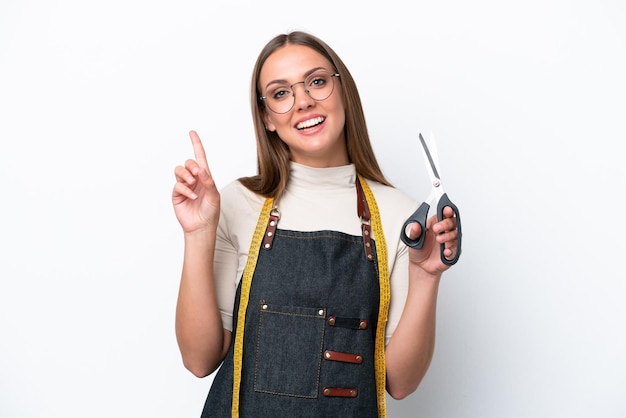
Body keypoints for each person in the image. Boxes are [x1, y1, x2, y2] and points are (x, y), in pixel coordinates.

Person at [172, 31, 459, 418]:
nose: (303, 100)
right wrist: (198, 233)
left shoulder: (401, 218)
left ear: (343, 91)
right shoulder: (237, 204)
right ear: (267, 119)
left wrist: (427, 276)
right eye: (280, 93)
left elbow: (401, 382)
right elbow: (198, 360)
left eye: (317, 82)